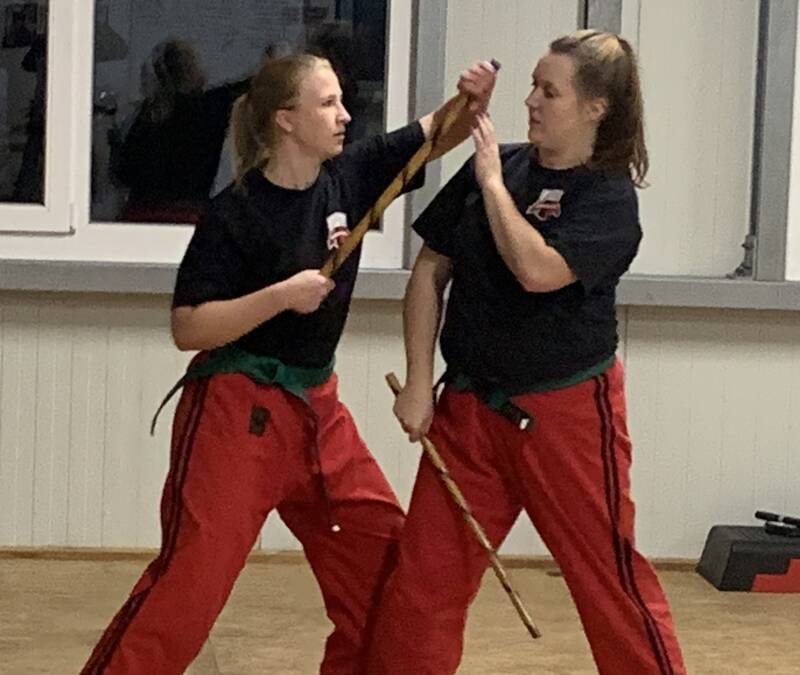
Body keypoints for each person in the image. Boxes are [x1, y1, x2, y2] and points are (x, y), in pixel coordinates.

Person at [79, 53, 497, 675]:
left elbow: (439, 131)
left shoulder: (350, 176)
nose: (345, 114)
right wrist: (279, 296)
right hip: (237, 409)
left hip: (318, 410)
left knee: (383, 571)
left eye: (342, 100)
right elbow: (189, 327)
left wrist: (473, 97)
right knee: (191, 587)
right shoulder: (235, 212)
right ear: (285, 120)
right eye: (327, 103)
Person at [368, 30, 687, 675]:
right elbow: (429, 271)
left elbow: (537, 271)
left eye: (550, 91)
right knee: (421, 587)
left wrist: (493, 185)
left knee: (609, 583)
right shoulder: (501, 164)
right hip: (468, 409)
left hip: (563, 416)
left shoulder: (607, 198)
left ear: (595, 107)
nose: (531, 101)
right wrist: (420, 380)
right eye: (533, 86)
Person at [110, 39, 250, 224]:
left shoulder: (147, 115)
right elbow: (253, 86)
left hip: (138, 217)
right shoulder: (208, 107)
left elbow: (123, 173)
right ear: (193, 71)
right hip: (185, 219)